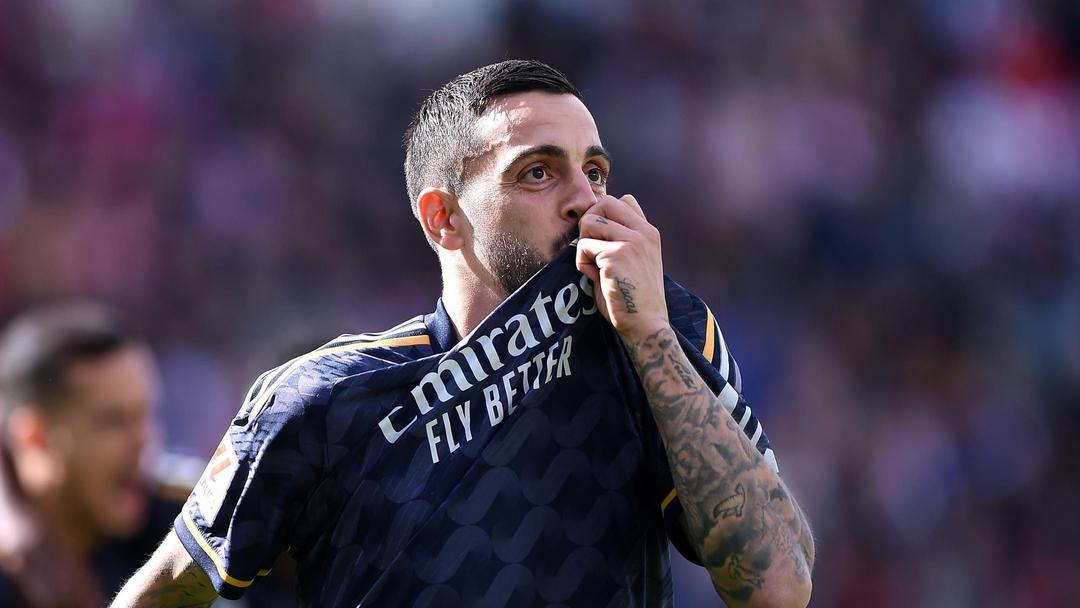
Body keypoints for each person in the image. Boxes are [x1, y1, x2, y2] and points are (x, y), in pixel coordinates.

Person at [113, 60, 815, 607]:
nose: (585, 199)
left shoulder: (662, 342)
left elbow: (777, 589)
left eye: (595, 171)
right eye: (539, 172)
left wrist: (651, 333)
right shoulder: (325, 398)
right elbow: (168, 589)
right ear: (443, 218)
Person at [0, 302, 173, 607]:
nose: (144, 441)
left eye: (145, 415)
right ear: (34, 436)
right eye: (112, 421)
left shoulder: (168, 529)